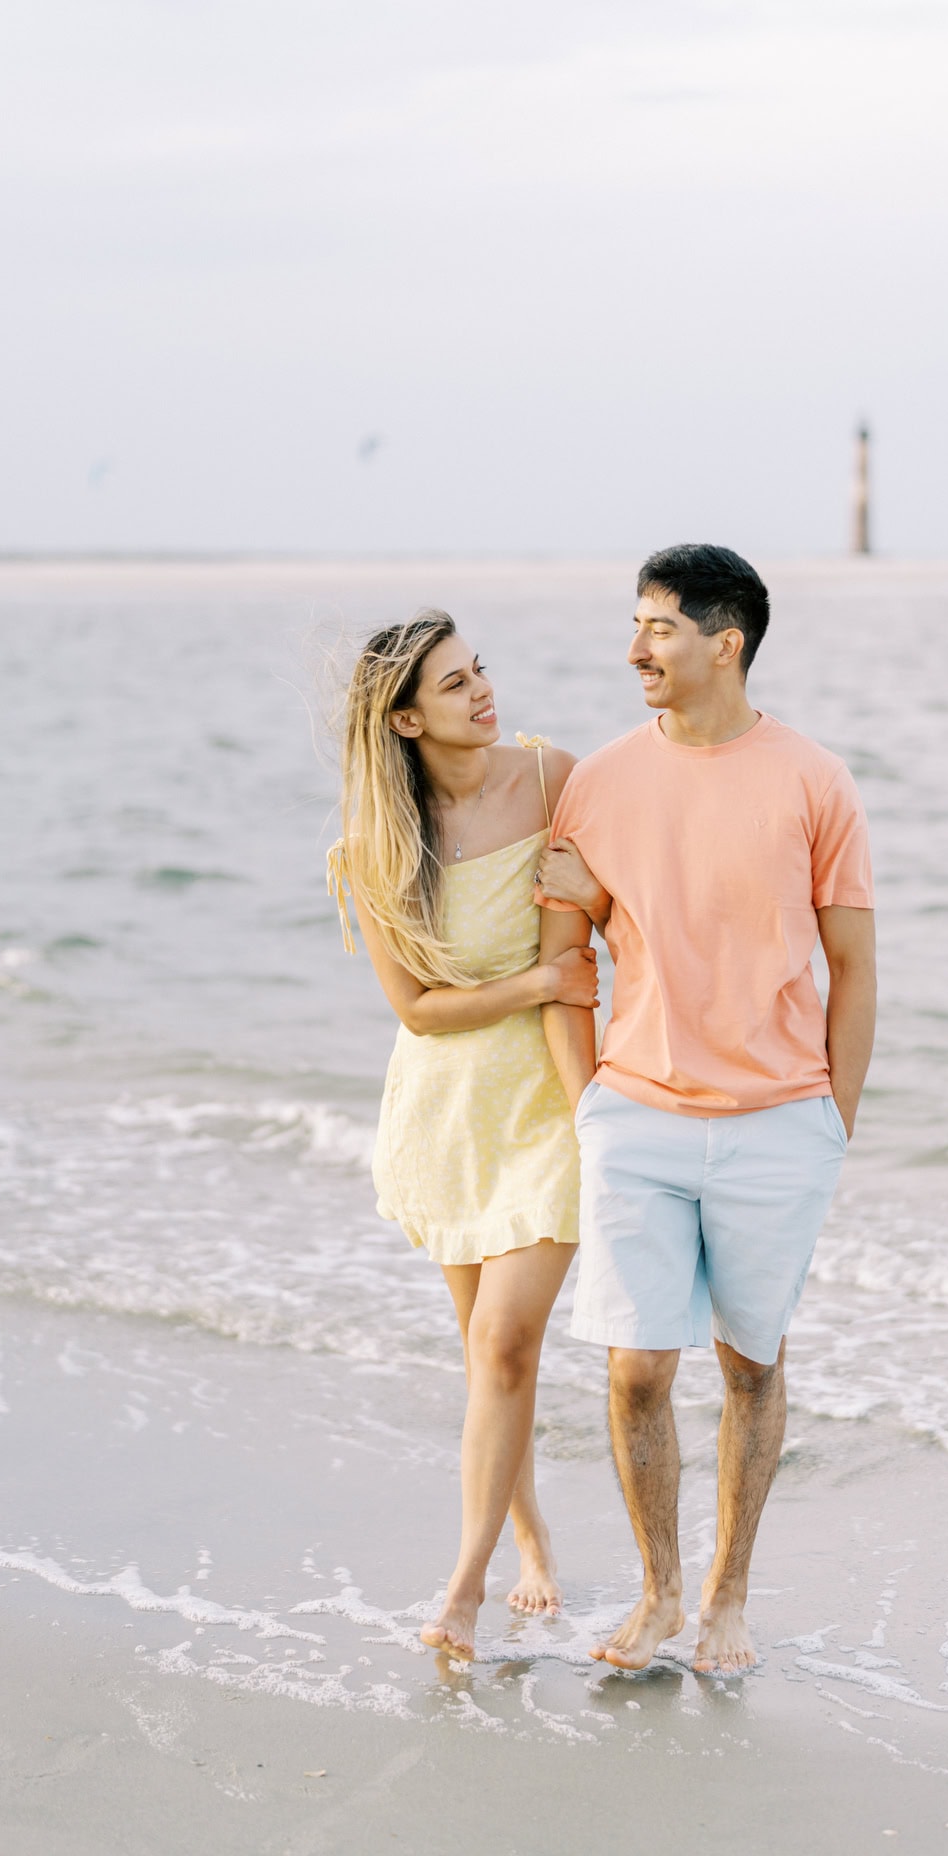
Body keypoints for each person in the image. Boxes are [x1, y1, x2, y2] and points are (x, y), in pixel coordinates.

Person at [534, 544, 876, 1676]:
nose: (634, 648)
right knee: (634, 1367)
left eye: (658, 628)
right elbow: (562, 954)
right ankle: (657, 1592)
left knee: (748, 1363)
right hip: (633, 1116)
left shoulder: (812, 779)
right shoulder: (599, 780)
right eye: (633, 625)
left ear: (724, 641)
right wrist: (587, 1098)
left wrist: (834, 1119)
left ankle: (728, 1597)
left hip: (779, 1121)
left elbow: (852, 966)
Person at [327, 610, 601, 1660]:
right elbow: (417, 1009)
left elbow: (599, 919)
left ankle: (465, 1586)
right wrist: (533, 978)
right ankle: (532, 1544)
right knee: (490, 1357)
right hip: (445, 1113)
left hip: (543, 1103)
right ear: (402, 719)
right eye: (452, 684)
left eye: (477, 669)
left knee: (504, 1342)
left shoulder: (547, 779)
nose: (482, 690)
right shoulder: (377, 847)